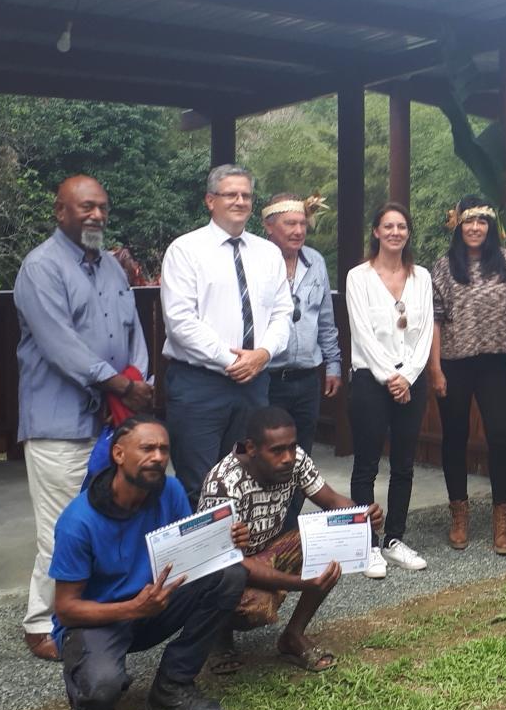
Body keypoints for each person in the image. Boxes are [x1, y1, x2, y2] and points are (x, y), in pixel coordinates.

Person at [12, 174, 153, 662]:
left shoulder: (112, 268)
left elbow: (133, 328)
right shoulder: (41, 268)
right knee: (60, 528)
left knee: (102, 517)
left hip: (111, 422)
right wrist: (122, 386)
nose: (96, 215)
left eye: (102, 207)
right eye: (85, 207)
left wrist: (139, 376)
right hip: (60, 424)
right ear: (60, 212)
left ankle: (86, 613)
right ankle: (40, 624)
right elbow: (60, 346)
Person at [49, 415, 247, 710]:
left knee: (229, 575)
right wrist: (132, 608)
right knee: (102, 692)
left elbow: (189, 558)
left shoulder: (171, 490)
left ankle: (172, 687)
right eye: (147, 449)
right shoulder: (78, 522)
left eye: (164, 450)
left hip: (154, 605)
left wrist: (227, 541)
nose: (157, 458)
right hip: (101, 619)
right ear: (118, 454)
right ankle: (88, 685)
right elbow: (66, 609)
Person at [197, 406, 382, 675]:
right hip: (228, 567)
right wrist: (298, 583)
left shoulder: (296, 460)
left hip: (269, 551)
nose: (287, 458)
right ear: (251, 448)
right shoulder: (224, 483)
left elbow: (331, 501)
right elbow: (229, 560)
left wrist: (362, 517)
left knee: (333, 541)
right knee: (254, 606)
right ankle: (219, 635)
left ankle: (292, 636)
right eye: (277, 450)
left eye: (292, 448)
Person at [160, 165, 291, 502]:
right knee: (200, 485)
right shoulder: (185, 250)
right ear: (210, 200)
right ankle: (202, 555)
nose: (239, 201)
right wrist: (232, 360)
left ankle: (241, 556)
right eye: (230, 194)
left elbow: (282, 314)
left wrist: (261, 356)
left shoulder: (268, 253)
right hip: (200, 384)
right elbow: (180, 321)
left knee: (246, 479)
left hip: (254, 383)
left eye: (246, 195)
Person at [345, 201, 443, 576]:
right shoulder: (359, 276)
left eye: (402, 226)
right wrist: (390, 377)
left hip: (412, 380)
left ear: (408, 233)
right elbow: (362, 334)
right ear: (376, 232)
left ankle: (395, 538)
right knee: (366, 463)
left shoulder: (421, 278)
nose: (395, 232)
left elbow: (424, 334)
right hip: (372, 378)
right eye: (388, 226)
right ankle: (366, 543)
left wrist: (410, 376)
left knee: (404, 463)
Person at [431, 197, 506, 554]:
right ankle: (459, 515)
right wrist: (434, 368)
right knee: (455, 437)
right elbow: (434, 318)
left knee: (502, 435)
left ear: (490, 226)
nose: (476, 227)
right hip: (454, 361)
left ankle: (501, 521)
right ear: (458, 225)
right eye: (469, 221)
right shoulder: (443, 265)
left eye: (482, 221)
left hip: (495, 360)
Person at [261, 192, 342, 454]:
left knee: (302, 453)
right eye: (290, 224)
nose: (298, 231)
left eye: (302, 223)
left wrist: (334, 365)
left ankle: (297, 498)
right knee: (266, 452)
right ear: (269, 226)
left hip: (307, 378)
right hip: (267, 378)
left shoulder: (315, 261)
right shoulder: (256, 261)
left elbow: (325, 320)